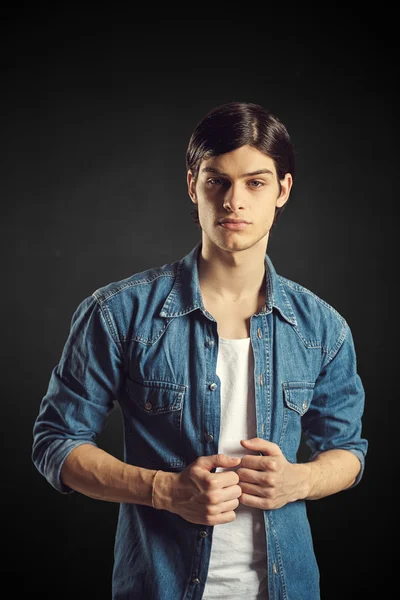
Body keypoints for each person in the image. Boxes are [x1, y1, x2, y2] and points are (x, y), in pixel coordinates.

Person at [32, 101, 368, 600]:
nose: (235, 201)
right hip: (158, 587)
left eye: (256, 182)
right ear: (194, 185)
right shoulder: (117, 313)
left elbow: (349, 450)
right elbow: (56, 443)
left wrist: (298, 481)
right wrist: (162, 490)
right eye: (218, 181)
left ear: (283, 190)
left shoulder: (323, 328)